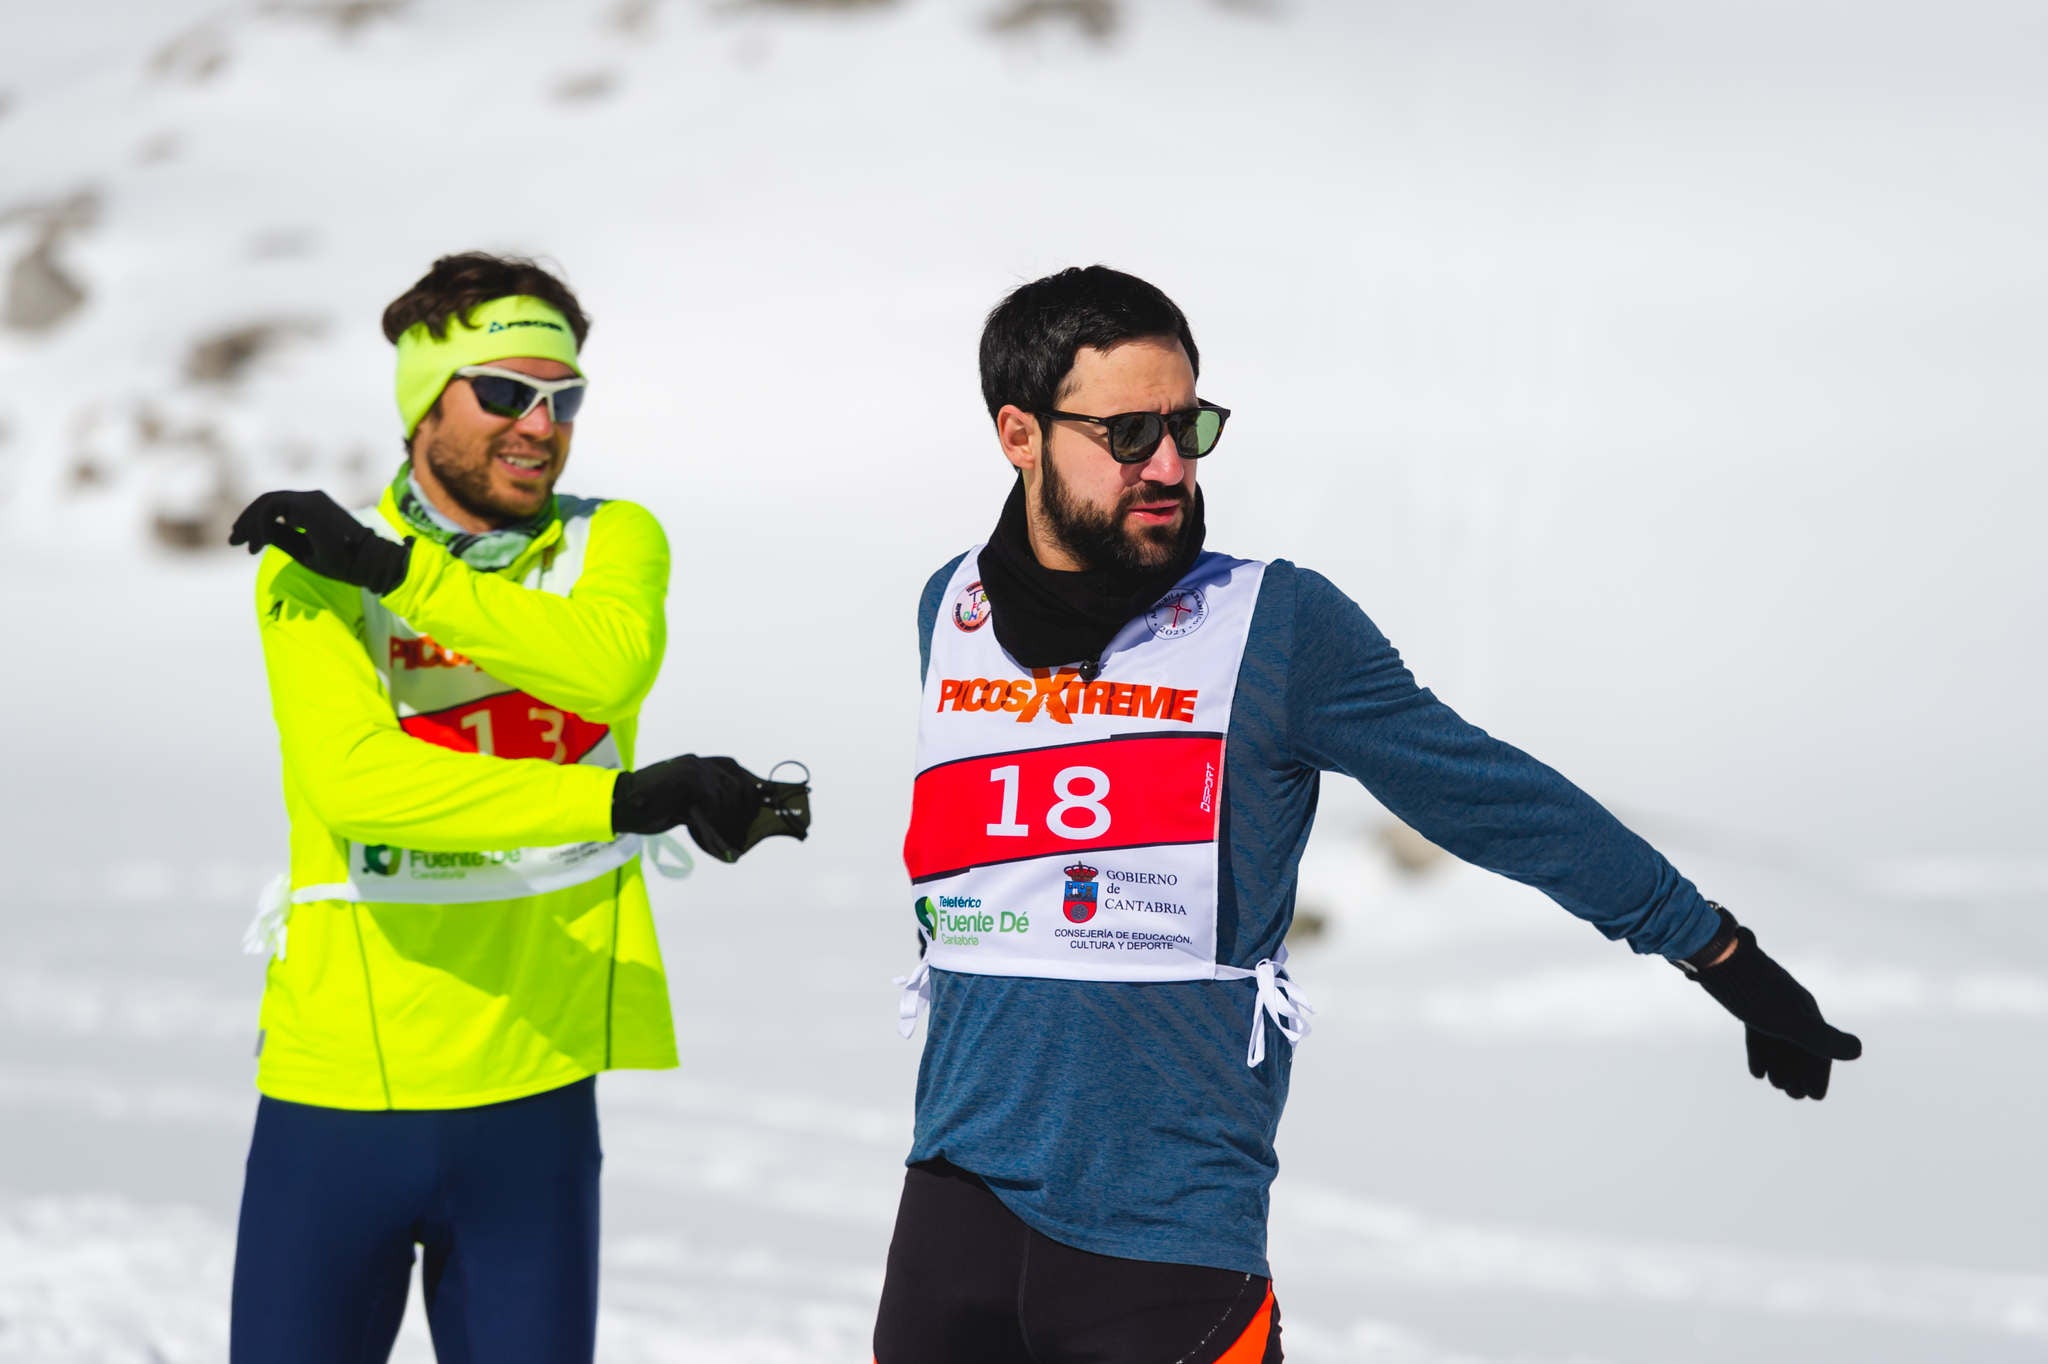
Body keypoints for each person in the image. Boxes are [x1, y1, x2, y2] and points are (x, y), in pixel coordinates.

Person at [875, 265, 1861, 1364]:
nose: (1167, 464)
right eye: (1128, 431)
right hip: (948, 1227)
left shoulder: (1273, 627)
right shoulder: (946, 608)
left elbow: (1489, 796)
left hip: (1159, 1251)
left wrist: (1712, 948)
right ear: (1018, 432)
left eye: (1188, 425)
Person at [223, 251, 810, 1363]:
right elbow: (362, 785)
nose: (540, 425)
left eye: (563, 397)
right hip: (342, 1088)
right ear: (423, 401)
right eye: (504, 392)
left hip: (535, 1093)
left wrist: (400, 574)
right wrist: (619, 798)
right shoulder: (308, 559)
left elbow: (603, 669)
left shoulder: (610, 539)